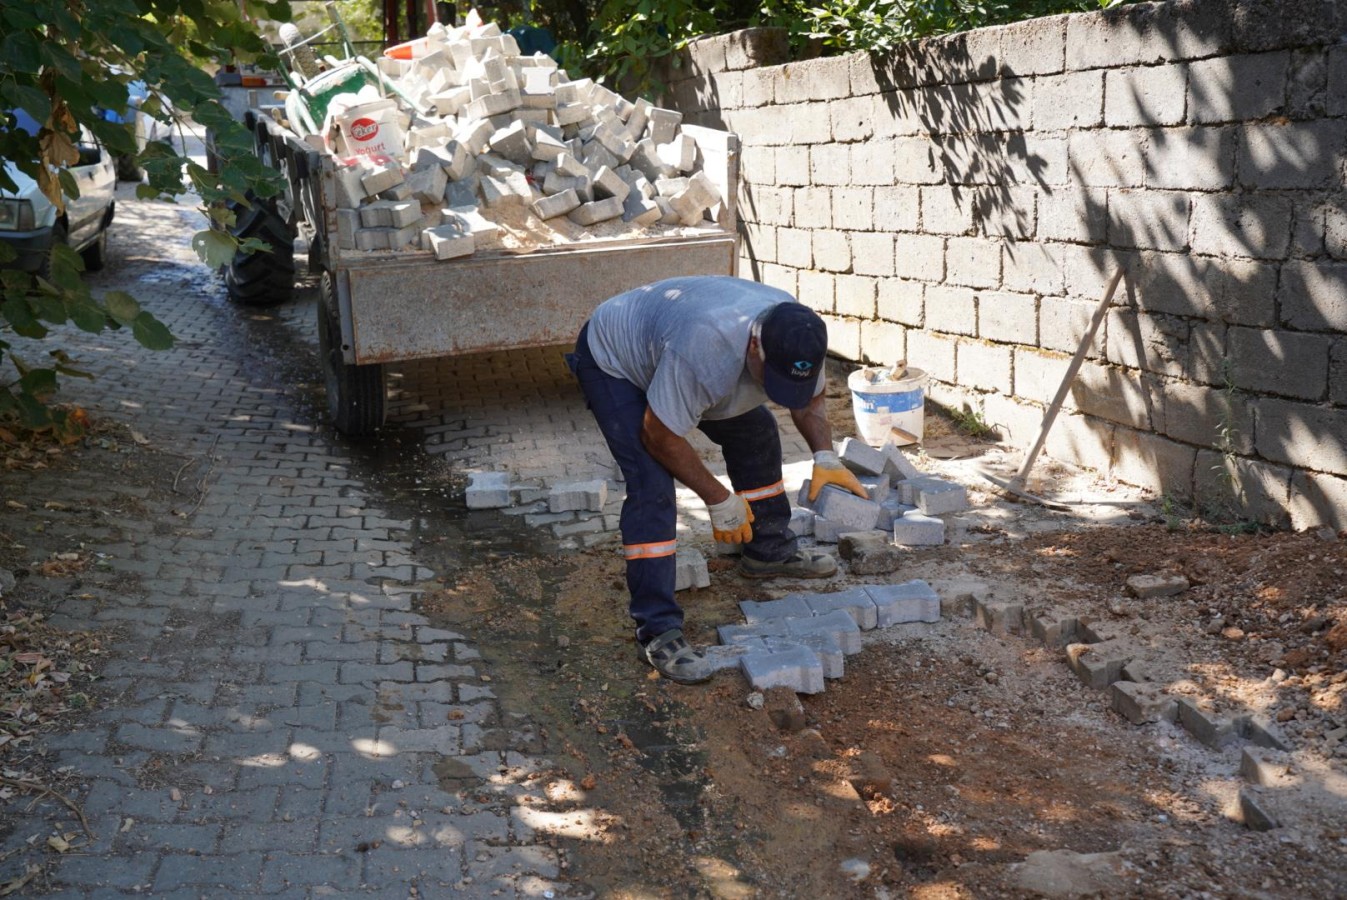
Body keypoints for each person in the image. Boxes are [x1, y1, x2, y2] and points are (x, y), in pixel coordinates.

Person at [567, 275, 869, 685]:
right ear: (753, 347)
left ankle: (768, 551)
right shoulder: (706, 348)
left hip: (680, 347)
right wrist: (718, 498)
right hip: (616, 359)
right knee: (653, 486)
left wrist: (825, 454)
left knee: (757, 431)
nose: (776, 390)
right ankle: (658, 629)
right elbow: (660, 434)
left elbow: (810, 398)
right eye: (772, 378)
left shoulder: (797, 335)